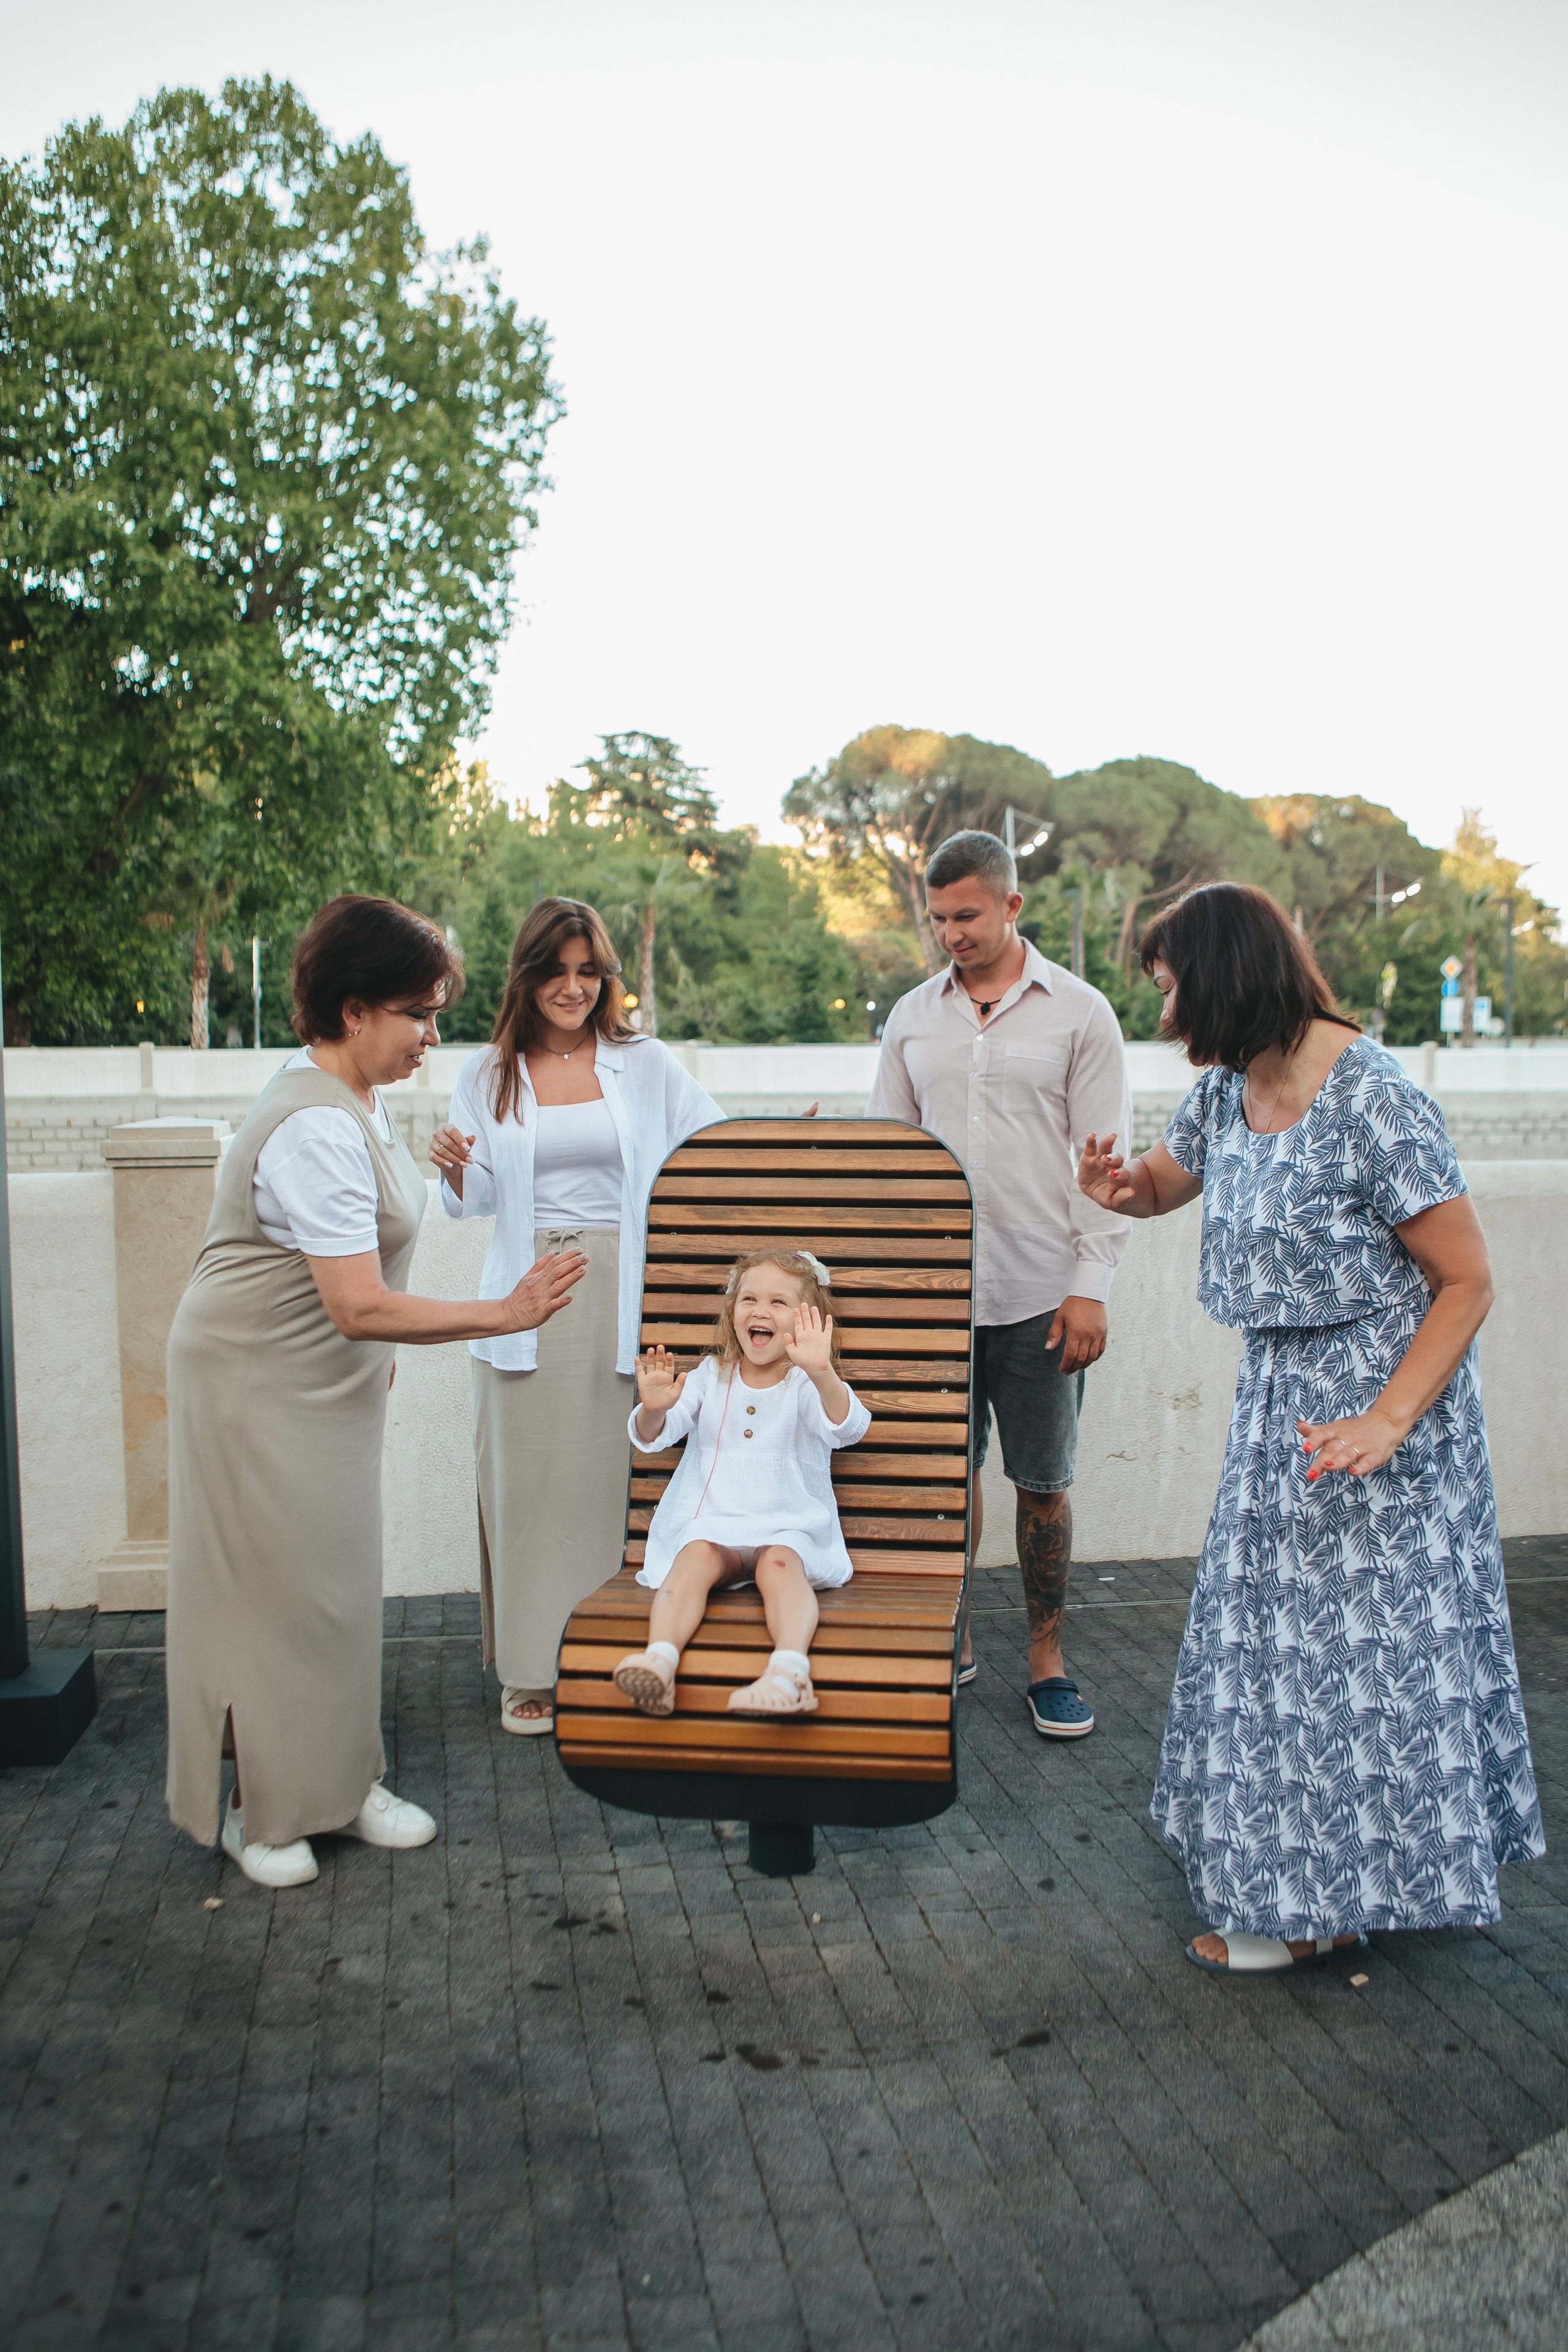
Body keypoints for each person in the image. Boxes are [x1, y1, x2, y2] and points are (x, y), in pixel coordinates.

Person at [1077, 881, 1543, 1975]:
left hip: (1382, 1419)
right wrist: (1117, 1188)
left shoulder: (1374, 1097)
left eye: (1172, 988)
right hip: (1280, 1409)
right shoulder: (1235, 1086)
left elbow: (1466, 1281)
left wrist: (1387, 1420)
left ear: (1227, 977)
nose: (1165, 1017)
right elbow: (1163, 1183)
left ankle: (1313, 1907)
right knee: (1278, 1656)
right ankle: (1310, 1893)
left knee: (1357, 1662)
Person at [166, 896, 586, 1890]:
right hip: (255, 1381)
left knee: (338, 1588)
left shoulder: (350, 1094)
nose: (431, 1037)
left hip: (320, 1375)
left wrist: (374, 1349)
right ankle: (258, 1811)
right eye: (419, 1014)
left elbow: (353, 1286)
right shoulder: (314, 1123)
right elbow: (356, 1302)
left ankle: (341, 1784)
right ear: (354, 1010)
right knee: (273, 1596)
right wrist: (506, 1314)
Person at [429, 898, 723, 1735]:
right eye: (556, 971)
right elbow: (473, 1201)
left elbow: (708, 1150)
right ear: (526, 975)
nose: (573, 987)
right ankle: (530, 1671)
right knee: (527, 1490)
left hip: (622, 1294)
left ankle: (611, 1659)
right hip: (526, 1299)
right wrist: (452, 1168)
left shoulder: (648, 1063)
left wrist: (787, 1146)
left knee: (617, 1491)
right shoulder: (487, 1074)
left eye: (588, 971)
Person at [865, 829, 1131, 1738]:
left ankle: (1048, 1662)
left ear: (1012, 904)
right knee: (945, 1477)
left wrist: (1090, 1283)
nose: (952, 933)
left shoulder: (1082, 1013)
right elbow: (888, 1161)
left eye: (967, 915)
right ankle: (952, 1636)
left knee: (1043, 1483)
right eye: (938, 918)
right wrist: (887, 1288)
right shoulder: (910, 1016)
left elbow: (1107, 1162)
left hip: (1042, 1292)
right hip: (934, 1297)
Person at [611, 1249, 871, 1717]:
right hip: (715, 1528)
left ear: (807, 1321)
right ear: (732, 1314)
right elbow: (653, 1438)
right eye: (749, 1299)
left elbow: (848, 1427)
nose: (760, 1311)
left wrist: (822, 1371)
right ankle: (659, 1662)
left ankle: (789, 1673)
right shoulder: (711, 1378)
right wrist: (653, 1407)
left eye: (778, 1303)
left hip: (787, 1528)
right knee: (693, 1557)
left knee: (781, 1565)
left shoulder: (805, 1386)